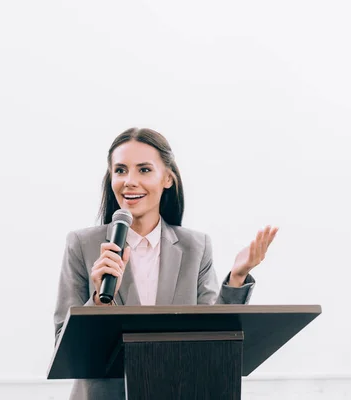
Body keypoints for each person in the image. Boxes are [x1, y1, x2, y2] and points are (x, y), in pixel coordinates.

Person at [53, 127, 278, 400]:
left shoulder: (195, 247)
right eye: (120, 170)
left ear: (168, 178)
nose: (129, 181)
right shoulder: (82, 245)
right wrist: (98, 303)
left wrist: (238, 278)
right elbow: (65, 346)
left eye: (144, 170)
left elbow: (213, 335)